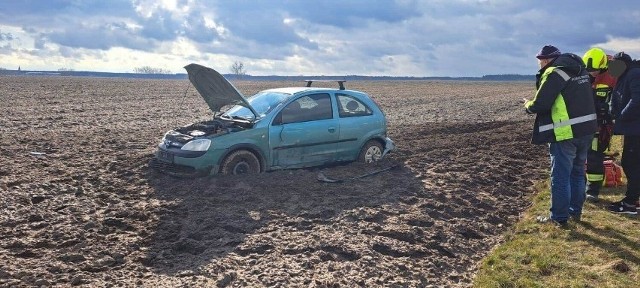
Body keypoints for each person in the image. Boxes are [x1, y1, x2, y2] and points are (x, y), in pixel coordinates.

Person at [523, 45, 597, 225]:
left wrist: (527, 105)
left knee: (561, 176)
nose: (540, 64)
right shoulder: (580, 70)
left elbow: (541, 104)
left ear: (546, 60)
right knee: (578, 173)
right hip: (586, 130)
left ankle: (559, 218)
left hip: (566, 133)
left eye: (540, 61)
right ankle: (575, 212)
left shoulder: (554, 73)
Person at [582, 48, 618, 202]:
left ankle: (593, 190)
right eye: (590, 71)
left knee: (594, 155)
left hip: (603, 123)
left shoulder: (614, 73)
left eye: (595, 70)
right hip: (584, 122)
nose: (593, 73)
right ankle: (580, 184)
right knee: (580, 155)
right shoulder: (583, 73)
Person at [608, 52, 640, 214]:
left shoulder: (634, 74)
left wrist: (621, 117)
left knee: (630, 163)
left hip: (636, 130)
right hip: (633, 129)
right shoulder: (626, 74)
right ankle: (633, 199)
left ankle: (630, 203)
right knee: (632, 163)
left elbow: (637, 100)